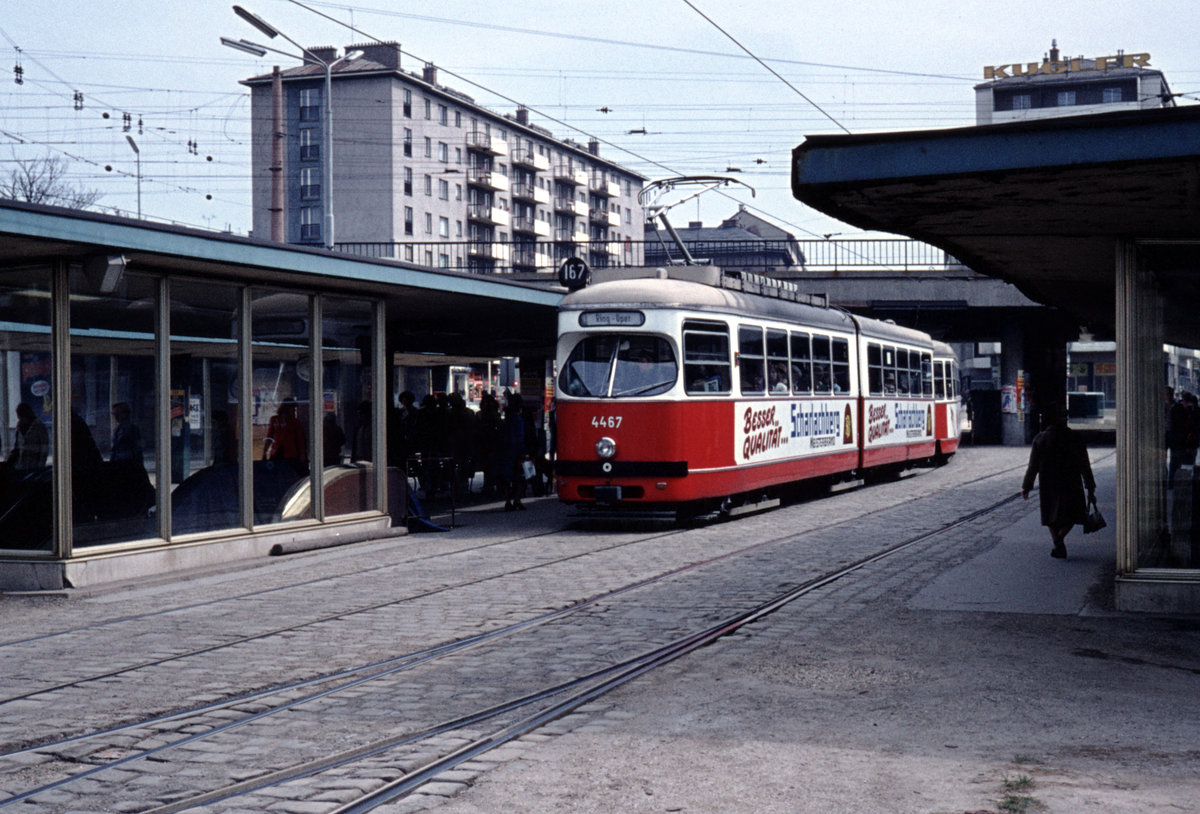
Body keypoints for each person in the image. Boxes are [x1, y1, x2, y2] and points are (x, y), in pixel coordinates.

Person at [1021, 403, 1096, 559]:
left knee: (1050, 515)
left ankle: (1057, 543)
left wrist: (1026, 486)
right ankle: (1059, 540)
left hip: (1048, 483)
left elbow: (1033, 466)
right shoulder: (1075, 437)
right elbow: (1084, 463)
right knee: (1073, 514)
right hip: (1071, 482)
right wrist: (1090, 484)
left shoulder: (1040, 439)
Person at [263, 397, 307, 467]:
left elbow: (300, 439)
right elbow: (269, 437)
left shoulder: (295, 422)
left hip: (290, 453)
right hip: (277, 452)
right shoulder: (274, 419)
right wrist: (265, 452)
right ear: (287, 408)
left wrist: (302, 454)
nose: (294, 411)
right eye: (293, 409)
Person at [6, 402, 49, 474]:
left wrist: (40, 467)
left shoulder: (39, 427)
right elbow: (17, 447)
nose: (20, 419)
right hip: (20, 467)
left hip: (33, 467)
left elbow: (44, 449)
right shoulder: (19, 428)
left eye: (21, 416)